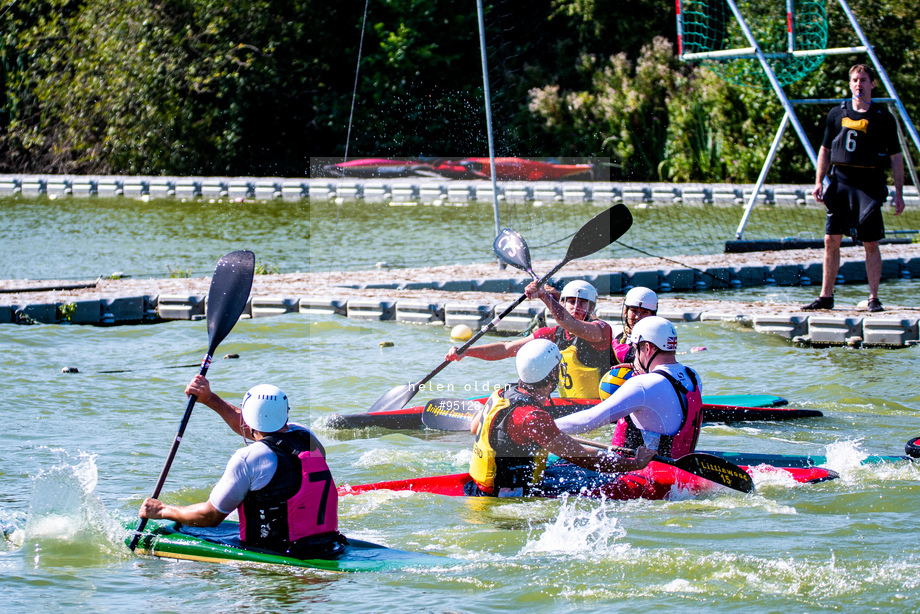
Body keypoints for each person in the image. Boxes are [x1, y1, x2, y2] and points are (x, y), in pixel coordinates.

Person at [138, 375, 346, 558]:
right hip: (328, 543)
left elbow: (209, 517)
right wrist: (209, 399)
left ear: (248, 420)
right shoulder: (307, 437)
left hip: (277, 551)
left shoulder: (248, 458)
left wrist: (163, 510)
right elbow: (257, 426)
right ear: (286, 413)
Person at [466, 339, 656, 497]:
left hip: (478, 487)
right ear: (553, 373)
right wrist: (635, 464)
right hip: (507, 499)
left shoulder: (501, 393)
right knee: (604, 481)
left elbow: (475, 427)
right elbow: (586, 459)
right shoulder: (533, 417)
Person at [804, 63, 905, 313]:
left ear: (872, 84)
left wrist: (899, 193)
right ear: (849, 84)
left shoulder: (882, 117)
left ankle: (873, 298)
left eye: (863, 79)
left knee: (870, 242)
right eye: (855, 80)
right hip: (841, 184)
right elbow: (825, 149)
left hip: (868, 186)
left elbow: (896, 157)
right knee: (830, 239)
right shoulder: (836, 114)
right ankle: (826, 296)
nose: (859, 84)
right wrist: (819, 181)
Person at [555, 316, 703, 459]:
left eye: (634, 349)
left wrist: (544, 427)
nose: (633, 356)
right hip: (678, 469)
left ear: (647, 348)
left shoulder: (643, 385)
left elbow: (589, 420)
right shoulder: (693, 377)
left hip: (642, 475)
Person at [446, 279, 613, 399]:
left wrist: (544, 296)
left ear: (592, 308)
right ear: (563, 303)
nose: (576, 307)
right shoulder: (553, 334)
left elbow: (571, 324)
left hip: (602, 406)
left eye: (582, 303)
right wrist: (466, 351)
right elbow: (506, 349)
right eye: (571, 302)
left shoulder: (601, 331)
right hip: (571, 403)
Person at [612, 286, 658, 362]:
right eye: (634, 310)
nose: (637, 317)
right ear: (625, 312)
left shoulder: (656, 343)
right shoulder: (615, 335)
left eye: (645, 312)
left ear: (652, 315)